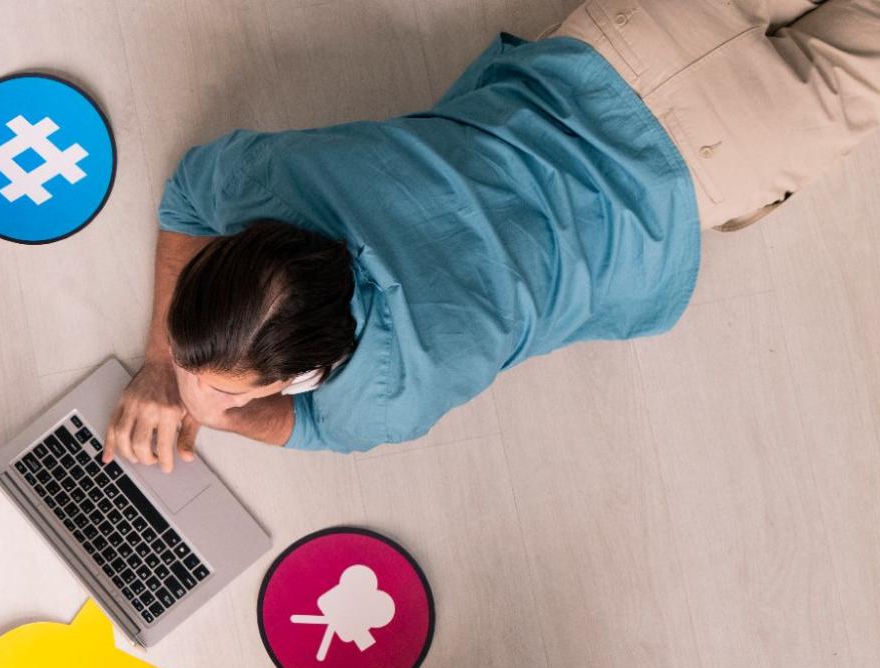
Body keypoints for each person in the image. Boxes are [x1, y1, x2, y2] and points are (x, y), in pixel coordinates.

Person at [107, 0, 880, 465]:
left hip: (713, 155)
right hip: (632, 37)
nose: (191, 377)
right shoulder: (267, 180)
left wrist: (216, 408)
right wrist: (166, 359)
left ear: (308, 367)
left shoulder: (389, 388)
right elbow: (185, 200)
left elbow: (319, 433)